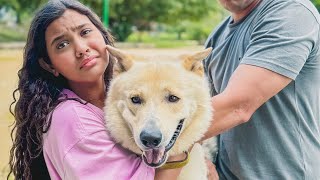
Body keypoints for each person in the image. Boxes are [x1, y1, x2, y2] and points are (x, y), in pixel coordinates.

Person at [8, 0, 206, 179]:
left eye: (85, 32)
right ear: (49, 65)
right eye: (62, 44)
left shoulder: (122, 93)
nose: (81, 48)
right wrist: (182, 151)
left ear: (102, 35)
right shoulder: (72, 119)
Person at [202, 0, 320, 179]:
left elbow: (237, 107)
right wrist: (198, 158)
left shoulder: (291, 13)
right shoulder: (217, 37)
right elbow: (209, 113)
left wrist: (156, 137)